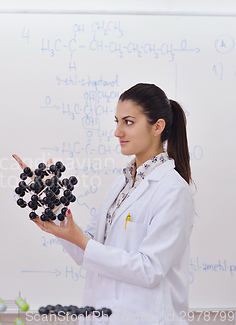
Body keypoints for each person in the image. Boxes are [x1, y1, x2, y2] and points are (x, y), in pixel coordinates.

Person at [15, 83, 195, 324]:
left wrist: (81, 240)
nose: (117, 132)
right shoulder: (121, 184)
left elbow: (150, 269)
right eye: (117, 121)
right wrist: (54, 204)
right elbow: (87, 250)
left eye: (128, 122)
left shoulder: (172, 190)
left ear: (157, 127)